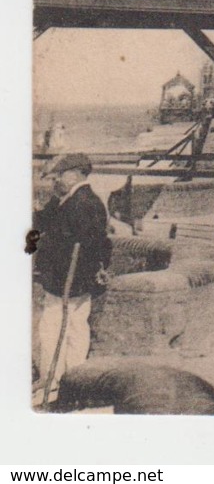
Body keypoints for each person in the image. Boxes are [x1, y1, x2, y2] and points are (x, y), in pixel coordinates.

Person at [32, 153, 112, 407]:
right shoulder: (72, 199)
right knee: (77, 328)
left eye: (60, 174)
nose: (56, 179)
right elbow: (44, 221)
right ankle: (73, 381)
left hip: (66, 280)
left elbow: (78, 244)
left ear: (76, 173)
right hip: (77, 280)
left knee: (53, 329)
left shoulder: (81, 203)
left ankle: (52, 381)